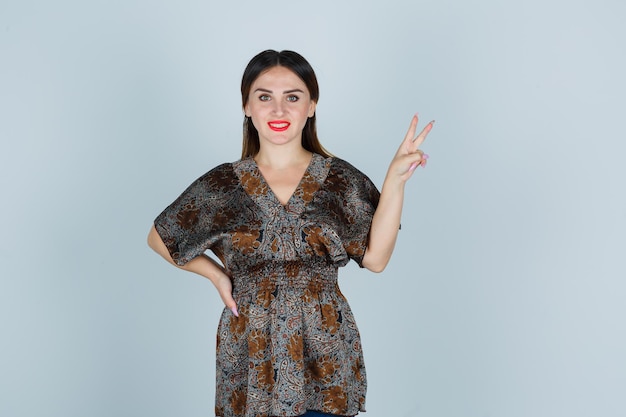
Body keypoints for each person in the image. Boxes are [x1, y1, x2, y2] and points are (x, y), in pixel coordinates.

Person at [147, 49, 433, 417]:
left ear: (311, 105)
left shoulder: (339, 180)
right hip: (250, 352)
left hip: (323, 347)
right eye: (264, 97)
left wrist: (395, 179)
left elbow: (376, 259)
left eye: (292, 97)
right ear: (247, 106)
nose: (278, 111)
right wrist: (217, 275)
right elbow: (160, 237)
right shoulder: (222, 185)